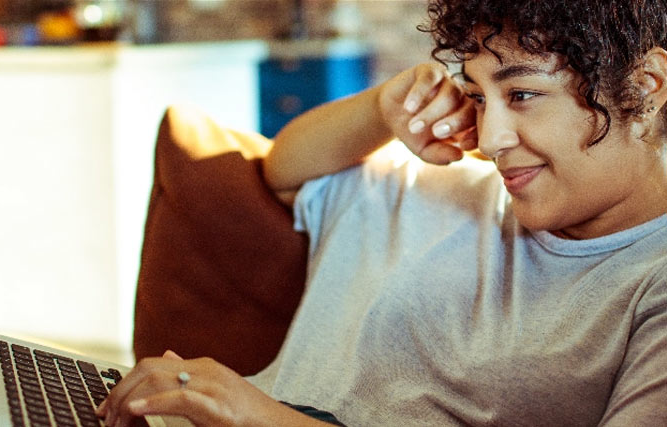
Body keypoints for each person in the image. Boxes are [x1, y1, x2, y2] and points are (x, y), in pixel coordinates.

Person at [97, 0, 667, 425]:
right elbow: (283, 174)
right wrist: (380, 109)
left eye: (521, 95)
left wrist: (260, 416)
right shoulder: (444, 189)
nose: (491, 138)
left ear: (645, 89)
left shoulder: (652, 284)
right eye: (476, 96)